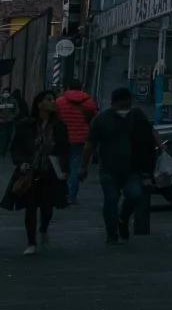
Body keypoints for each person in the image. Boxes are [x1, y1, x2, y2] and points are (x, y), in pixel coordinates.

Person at [81, 87, 155, 245]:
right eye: (121, 106)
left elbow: (150, 131)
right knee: (111, 199)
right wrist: (84, 166)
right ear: (113, 104)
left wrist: (160, 147)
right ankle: (112, 233)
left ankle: (123, 218)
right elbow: (89, 143)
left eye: (126, 105)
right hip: (109, 167)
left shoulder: (136, 115)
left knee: (134, 194)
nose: (124, 109)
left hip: (132, 167)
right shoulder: (102, 119)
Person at [4, 91, 68, 254]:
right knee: (30, 208)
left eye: (53, 99)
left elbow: (64, 149)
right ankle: (31, 243)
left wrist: (65, 169)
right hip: (30, 172)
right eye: (49, 99)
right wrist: (21, 163)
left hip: (50, 171)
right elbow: (16, 148)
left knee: (47, 209)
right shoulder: (26, 124)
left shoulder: (59, 125)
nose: (53, 102)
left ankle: (43, 229)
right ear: (39, 104)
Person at [53, 82, 97, 204]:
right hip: (81, 138)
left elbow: (55, 119)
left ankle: (61, 192)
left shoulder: (59, 101)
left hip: (62, 138)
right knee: (75, 167)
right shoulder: (89, 102)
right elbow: (93, 121)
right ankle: (71, 195)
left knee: (61, 166)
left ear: (67, 88)